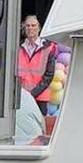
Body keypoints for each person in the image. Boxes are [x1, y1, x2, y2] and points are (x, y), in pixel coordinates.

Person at [15, 11, 69, 140]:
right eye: (27, 26)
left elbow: (49, 75)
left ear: (39, 28)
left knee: (38, 131)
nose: (30, 28)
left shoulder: (48, 48)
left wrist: (32, 93)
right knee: (20, 129)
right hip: (21, 97)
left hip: (39, 97)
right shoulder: (18, 48)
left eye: (33, 25)